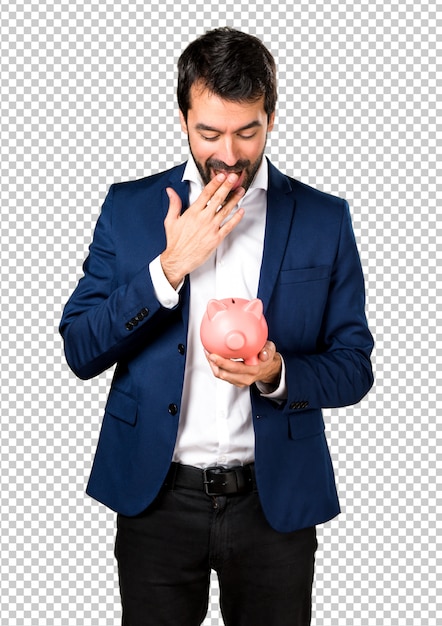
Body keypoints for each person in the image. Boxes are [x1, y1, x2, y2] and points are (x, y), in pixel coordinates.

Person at [60, 27, 374, 626]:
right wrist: (170, 267)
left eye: (246, 131)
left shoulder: (323, 219)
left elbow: (355, 365)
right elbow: (80, 347)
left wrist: (279, 373)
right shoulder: (128, 209)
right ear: (183, 119)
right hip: (155, 499)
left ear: (271, 118)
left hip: (274, 505)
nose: (228, 154)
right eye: (209, 132)